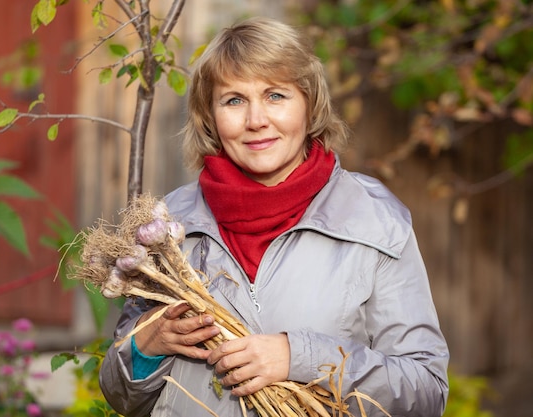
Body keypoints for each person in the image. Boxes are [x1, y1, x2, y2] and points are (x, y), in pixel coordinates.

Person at [99, 16, 449, 417]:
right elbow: (119, 394)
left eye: (276, 96)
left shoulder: (373, 220)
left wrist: (301, 357)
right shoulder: (168, 228)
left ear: (309, 103)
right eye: (233, 100)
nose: (255, 121)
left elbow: (425, 393)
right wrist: (147, 347)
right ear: (209, 116)